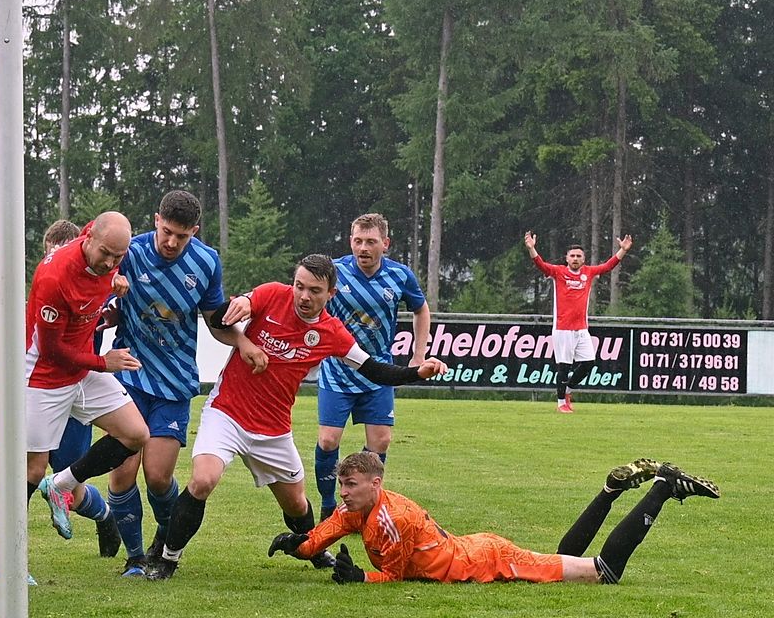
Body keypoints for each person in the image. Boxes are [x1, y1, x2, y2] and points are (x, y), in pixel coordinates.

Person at [142, 254, 450, 580]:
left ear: (331, 294)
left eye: (314, 290)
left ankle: (315, 550)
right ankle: (167, 559)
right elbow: (230, 312)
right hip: (227, 414)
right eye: (299, 286)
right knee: (203, 480)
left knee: (297, 506)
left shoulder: (332, 332)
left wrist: (417, 372)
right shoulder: (273, 294)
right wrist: (243, 308)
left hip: (274, 430)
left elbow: (375, 370)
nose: (303, 296)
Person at [0, 218, 122, 569]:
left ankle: (104, 515)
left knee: (69, 487)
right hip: (33, 389)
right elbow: (34, 323)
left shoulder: (104, 282)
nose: (56, 263)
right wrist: (4, 323)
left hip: (76, 393)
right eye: (49, 255)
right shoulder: (49, 283)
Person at [98, 190, 260, 577]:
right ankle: (135, 558)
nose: (172, 242)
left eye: (181, 236)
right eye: (167, 232)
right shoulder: (130, 254)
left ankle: (165, 540)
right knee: (121, 473)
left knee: (158, 476)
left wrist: (242, 340)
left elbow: (214, 320)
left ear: (195, 232)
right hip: (130, 374)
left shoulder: (206, 262)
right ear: (156, 220)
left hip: (174, 381)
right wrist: (109, 297)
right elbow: (97, 299)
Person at [269, 452, 719, 585]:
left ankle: (664, 487)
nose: (342, 494)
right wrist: (300, 545)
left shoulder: (394, 517)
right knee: (562, 561)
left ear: (375, 484)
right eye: (341, 485)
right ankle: (610, 491)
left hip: (487, 562)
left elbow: (397, 576)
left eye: (350, 486)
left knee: (602, 574)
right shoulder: (361, 509)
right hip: (477, 548)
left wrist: (360, 579)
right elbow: (325, 532)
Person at [25, 211, 150, 542]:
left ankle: (61, 485)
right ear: (88, 236)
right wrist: (102, 362)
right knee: (32, 471)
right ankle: (10, 563)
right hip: (43, 376)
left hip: (81, 371)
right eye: (105, 254)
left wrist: (117, 278)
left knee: (136, 433)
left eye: (118, 257)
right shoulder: (55, 277)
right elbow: (52, 350)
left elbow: (111, 268)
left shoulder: (109, 258)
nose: (109, 263)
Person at [315, 213, 430, 520]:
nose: (363, 248)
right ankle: (329, 507)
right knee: (328, 440)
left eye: (370, 241)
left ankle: (365, 507)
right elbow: (309, 302)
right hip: (338, 370)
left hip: (378, 372)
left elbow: (421, 310)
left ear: (385, 244)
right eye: (357, 241)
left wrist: (418, 356)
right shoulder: (335, 272)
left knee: (380, 441)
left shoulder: (400, 275)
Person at [524, 231, 633, 413]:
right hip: (562, 328)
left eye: (578, 256)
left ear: (584, 259)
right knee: (564, 367)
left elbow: (607, 266)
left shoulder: (588, 273)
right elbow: (541, 265)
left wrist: (622, 251)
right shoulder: (558, 272)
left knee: (589, 363)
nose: (575, 259)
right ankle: (561, 404)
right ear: (566, 258)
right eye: (572, 256)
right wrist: (532, 249)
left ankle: (568, 390)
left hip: (581, 329)